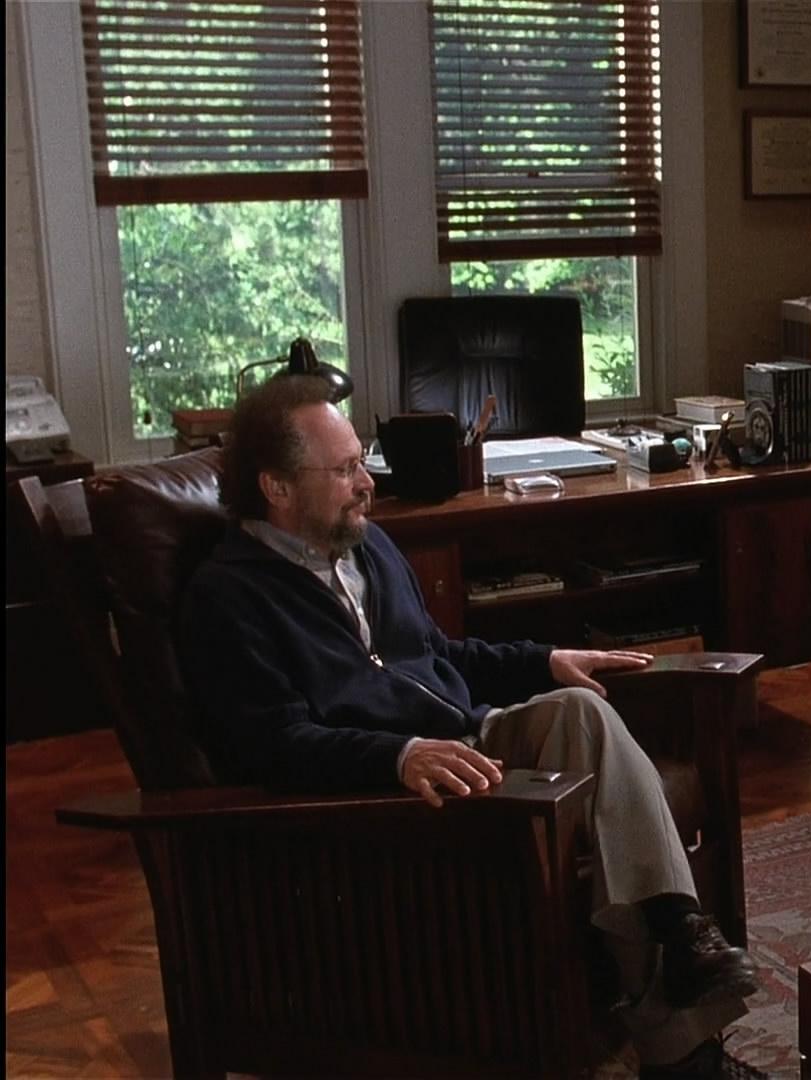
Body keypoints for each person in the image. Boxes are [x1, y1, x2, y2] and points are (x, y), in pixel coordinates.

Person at [177, 376, 760, 1077]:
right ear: (275, 487)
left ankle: (679, 926)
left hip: (471, 742)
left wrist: (546, 660)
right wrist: (397, 756)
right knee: (600, 808)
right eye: (344, 469)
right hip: (392, 799)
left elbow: (440, 656)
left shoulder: (369, 548)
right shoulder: (229, 597)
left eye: (361, 461)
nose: (366, 483)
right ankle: (686, 1055)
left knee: (579, 709)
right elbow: (272, 744)